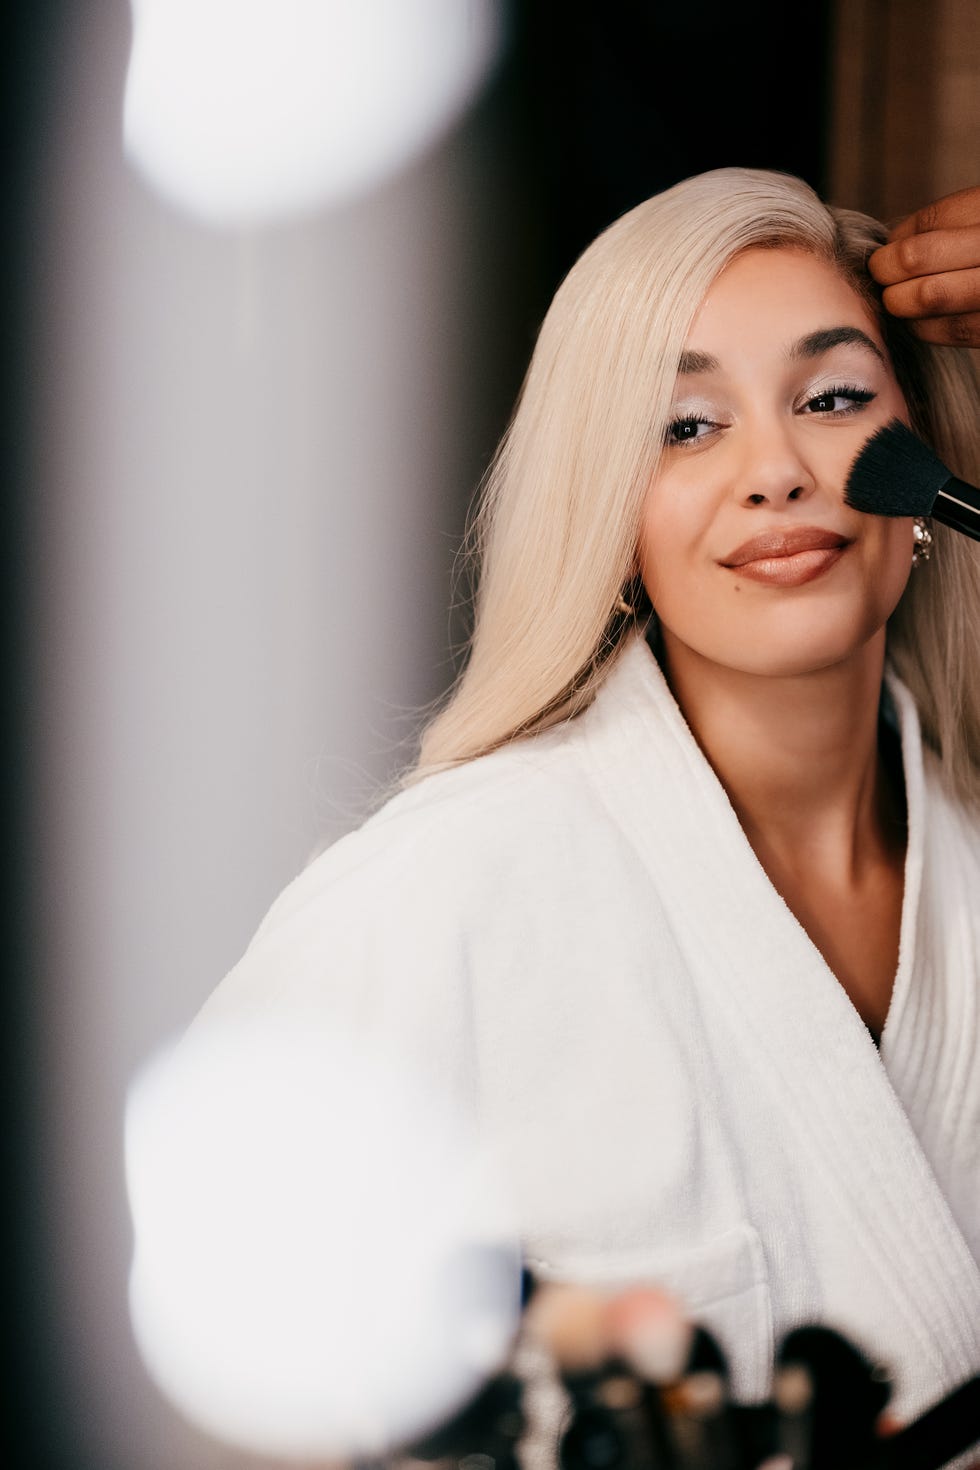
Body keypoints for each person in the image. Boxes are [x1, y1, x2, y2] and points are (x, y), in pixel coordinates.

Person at [180, 167, 980, 1464]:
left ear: (927, 488)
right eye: (685, 426)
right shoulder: (444, 893)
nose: (776, 470)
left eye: (835, 398)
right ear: (612, 524)